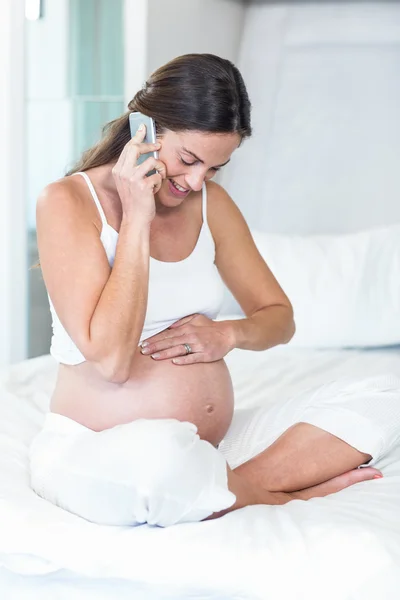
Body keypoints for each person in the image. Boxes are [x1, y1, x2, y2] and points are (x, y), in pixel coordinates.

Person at [29, 54, 399, 527]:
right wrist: (137, 216)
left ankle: (229, 486)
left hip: (207, 448)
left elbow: (278, 317)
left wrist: (228, 335)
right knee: (158, 461)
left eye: (215, 168)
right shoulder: (66, 202)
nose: (196, 182)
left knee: (388, 395)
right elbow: (112, 362)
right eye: (188, 159)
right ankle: (276, 495)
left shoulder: (211, 205)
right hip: (98, 449)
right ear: (144, 129)